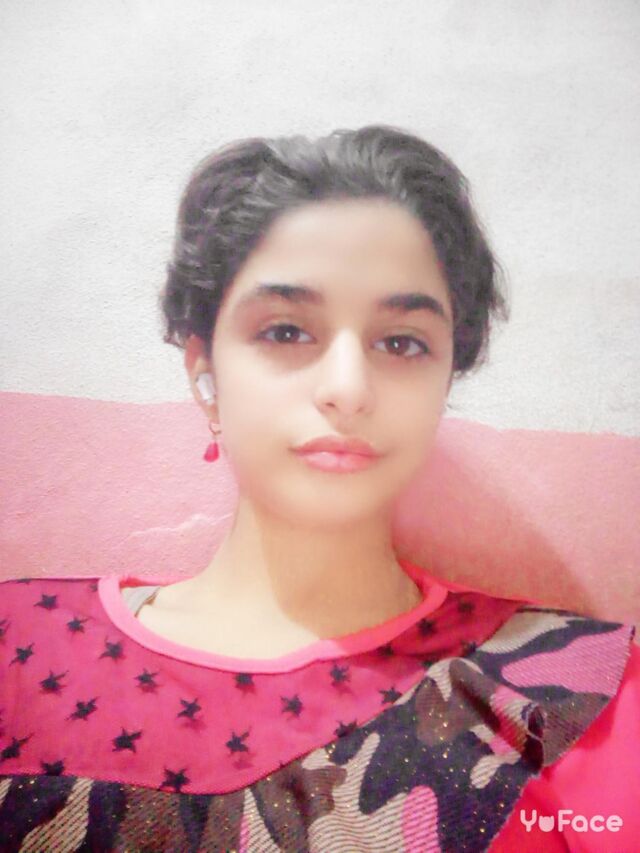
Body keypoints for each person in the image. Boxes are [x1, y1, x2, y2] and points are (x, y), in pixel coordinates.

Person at [1, 124, 638, 852]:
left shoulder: (569, 692)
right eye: (285, 331)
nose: (347, 387)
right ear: (205, 371)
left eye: (401, 342)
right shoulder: (20, 649)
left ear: (445, 380)